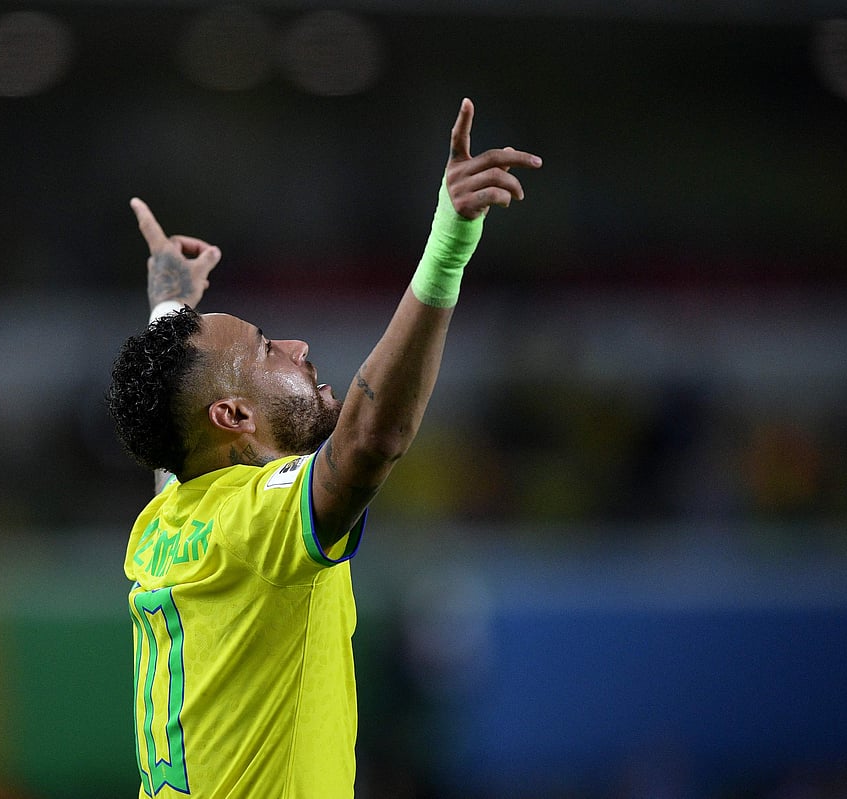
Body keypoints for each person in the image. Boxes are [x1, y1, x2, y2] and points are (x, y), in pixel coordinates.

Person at [106, 98, 541, 799]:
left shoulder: (169, 521)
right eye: (265, 348)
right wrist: (448, 245)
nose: (299, 348)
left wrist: (170, 307)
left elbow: (178, 441)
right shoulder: (258, 523)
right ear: (234, 414)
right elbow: (374, 438)